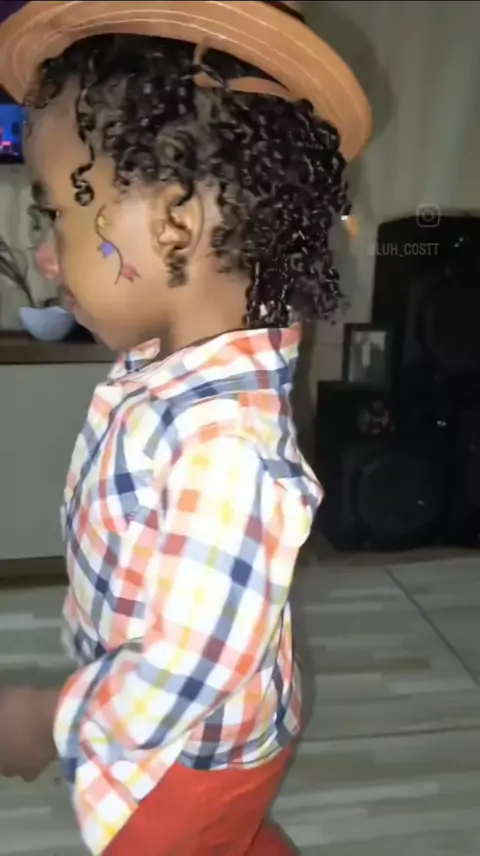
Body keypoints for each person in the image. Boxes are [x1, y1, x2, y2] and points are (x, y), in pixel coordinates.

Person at [0, 2, 371, 854]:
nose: (47, 254)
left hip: (183, 760)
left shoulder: (225, 449)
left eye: (59, 214)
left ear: (177, 220)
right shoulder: (175, 371)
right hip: (184, 732)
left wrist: (46, 719)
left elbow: (185, 672)